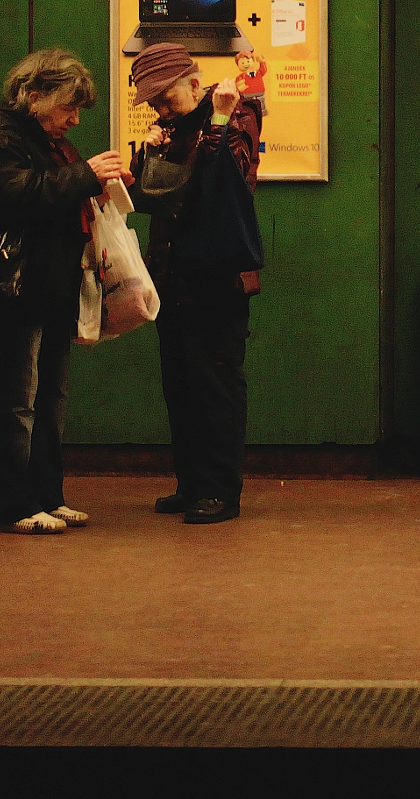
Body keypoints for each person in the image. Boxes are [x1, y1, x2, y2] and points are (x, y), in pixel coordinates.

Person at [0, 48, 125, 534]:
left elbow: (52, 190)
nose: (74, 119)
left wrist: (96, 184)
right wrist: (85, 176)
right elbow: (17, 196)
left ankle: (47, 495)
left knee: (49, 399)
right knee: (16, 402)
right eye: (68, 107)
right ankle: (12, 506)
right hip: (13, 293)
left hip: (48, 289)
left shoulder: (41, 140)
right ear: (33, 95)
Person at [129, 43, 263, 526]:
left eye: (166, 98)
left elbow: (222, 180)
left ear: (192, 81)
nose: (162, 110)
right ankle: (191, 484)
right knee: (181, 384)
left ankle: (220, 491)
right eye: (154, 103)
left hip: (217, 277)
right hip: (171, 276)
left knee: (217, 385)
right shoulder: (171, 129)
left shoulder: (238, 111)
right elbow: (158, 199)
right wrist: (147, 154)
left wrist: (220, 122)